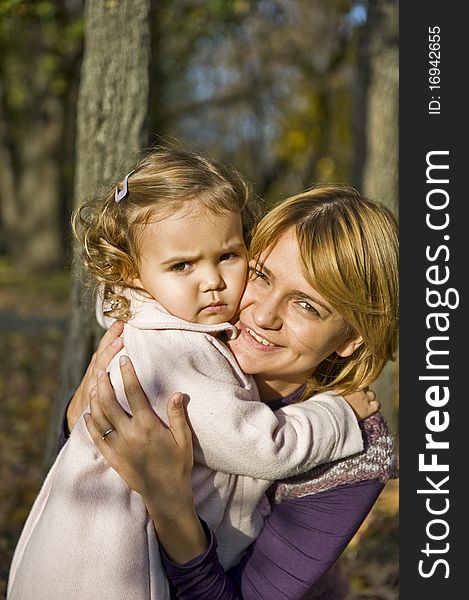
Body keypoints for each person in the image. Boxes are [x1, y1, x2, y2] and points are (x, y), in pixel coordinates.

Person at [7, 149, 374, 600]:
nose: (262, 315)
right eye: (261, 276)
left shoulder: (361, 455)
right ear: (135, 275)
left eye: (306, 305)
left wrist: (171, 505)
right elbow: (261, 445)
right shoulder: (180, 344)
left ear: (350, 338)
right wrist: (338, 417)